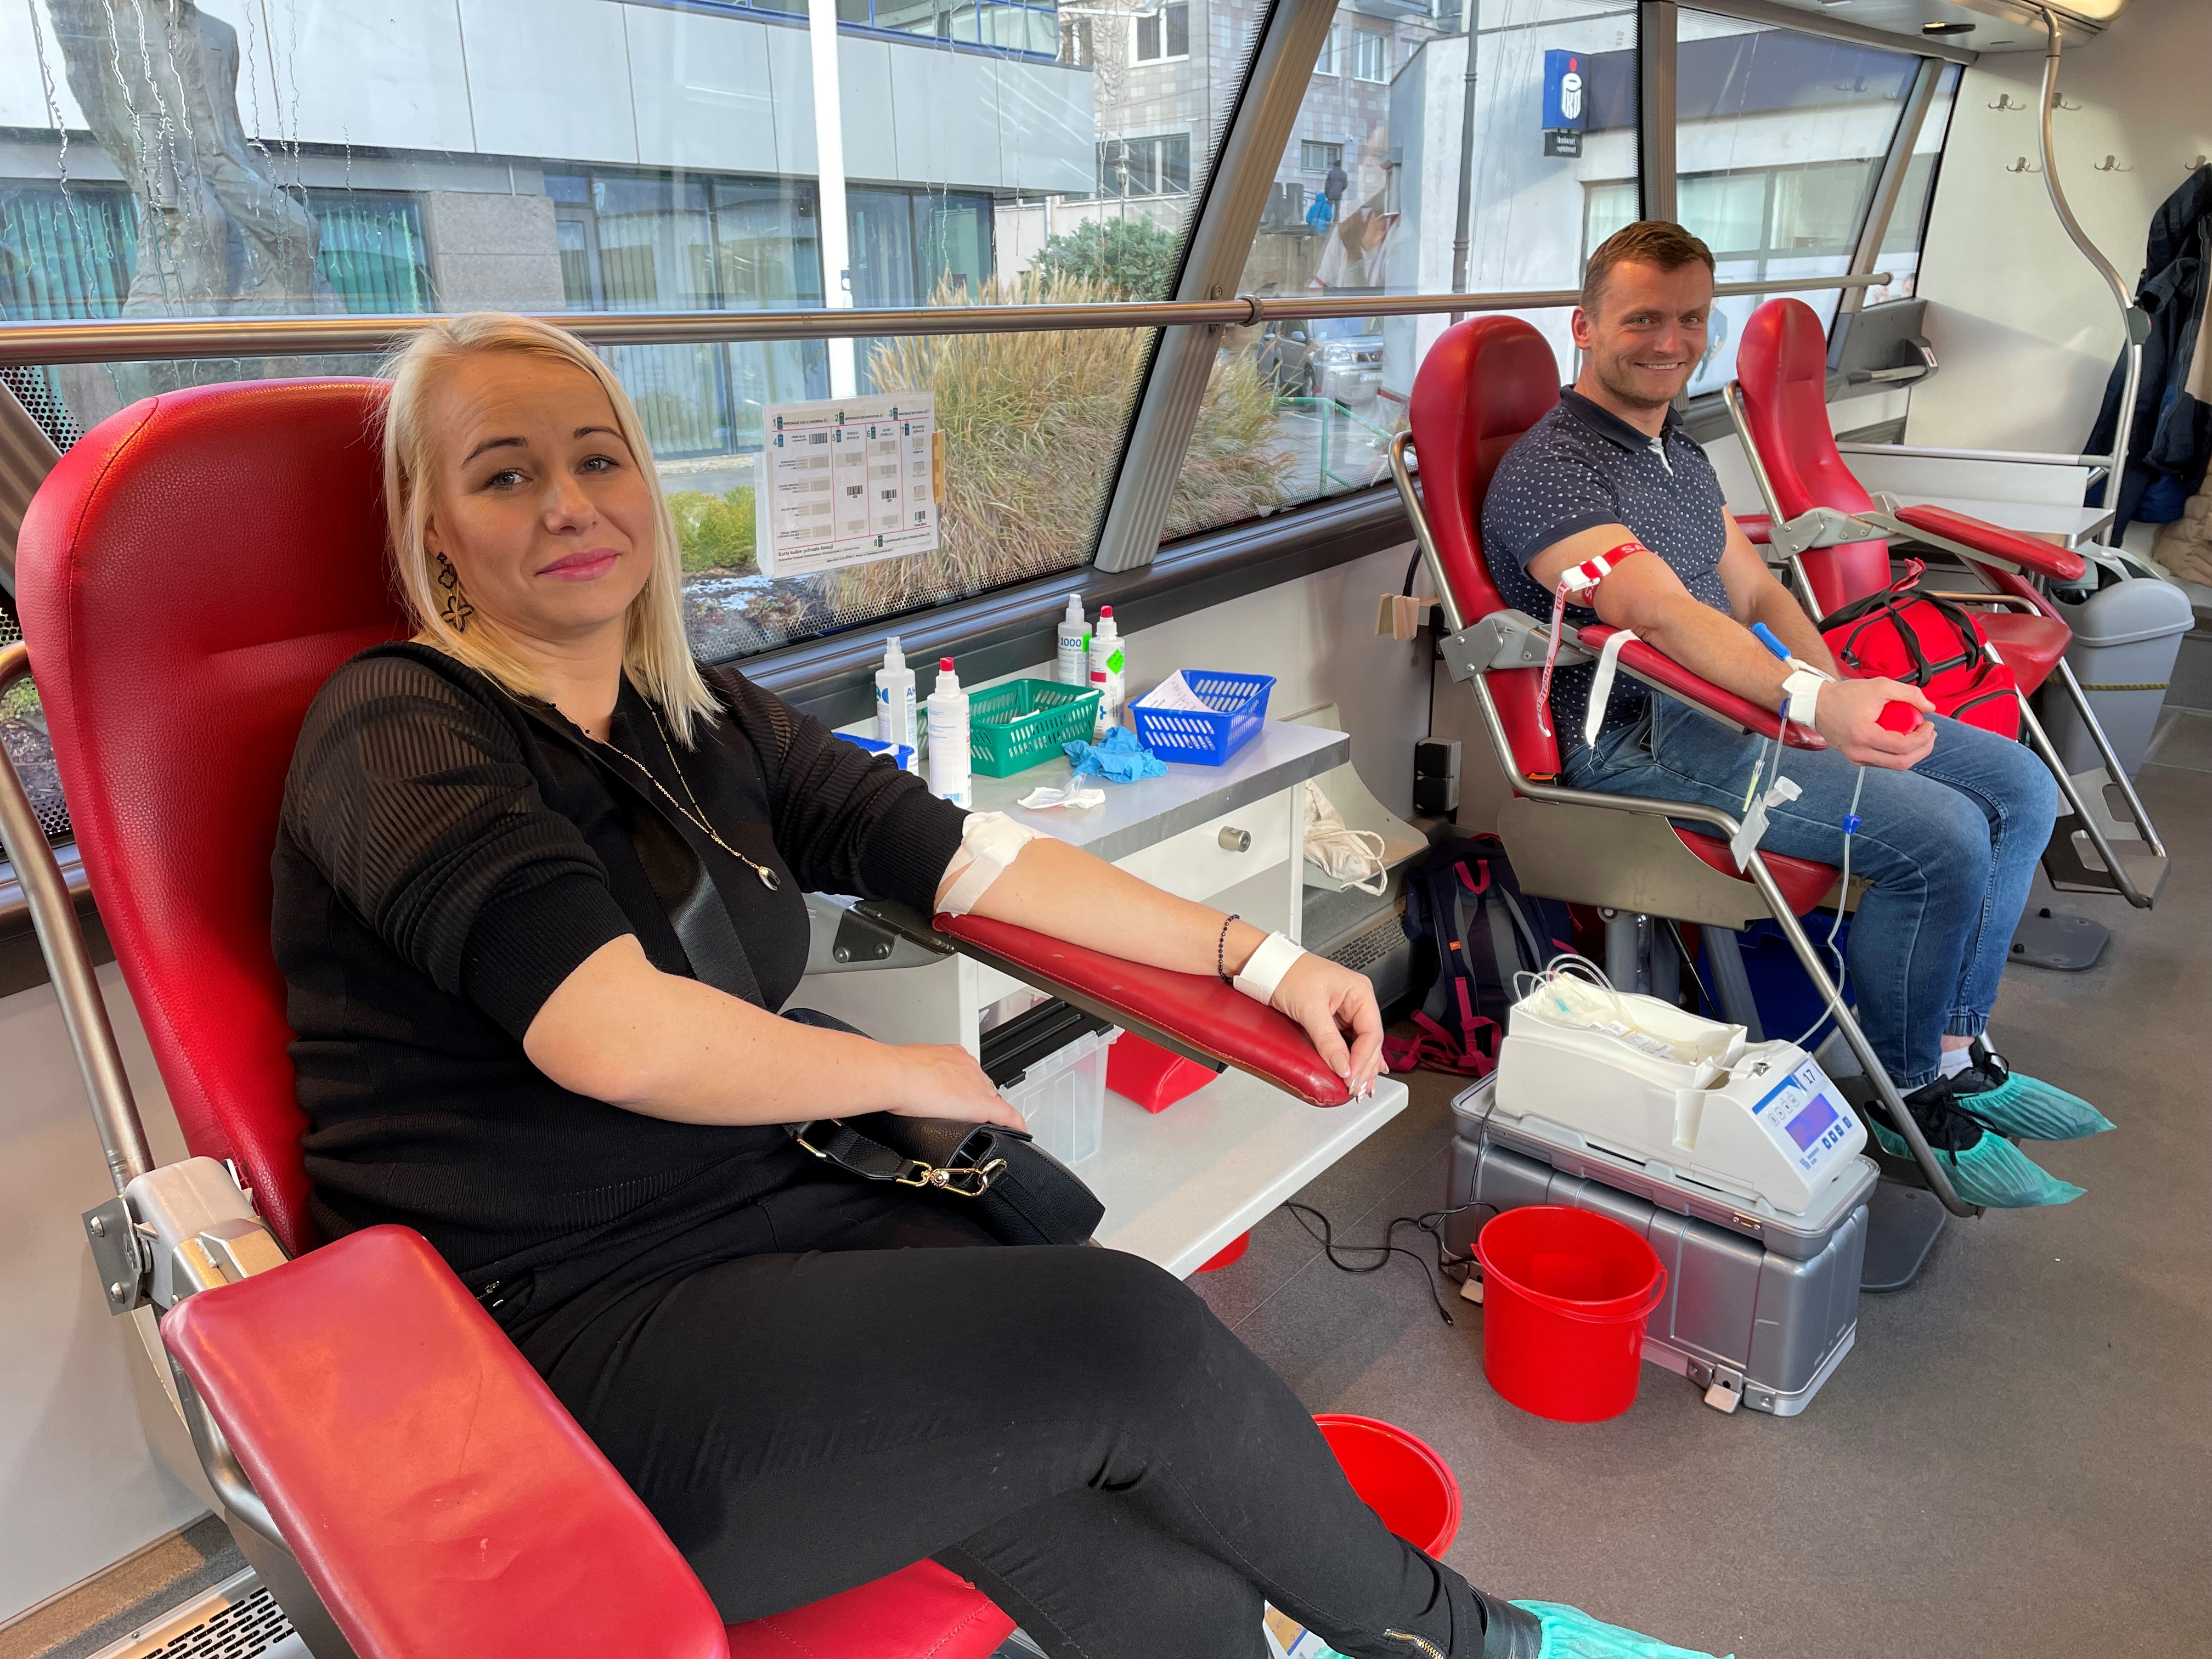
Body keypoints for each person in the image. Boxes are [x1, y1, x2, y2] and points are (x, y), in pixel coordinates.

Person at [272, 312, 1733, 1659]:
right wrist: (896, 1072)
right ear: (435, 532)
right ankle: (1489, 1647)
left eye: (598, 461)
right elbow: (613, 1033)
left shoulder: (692, 715)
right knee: (1128, 1340)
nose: (569, 504)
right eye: (506, 475)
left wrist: (1259, 953)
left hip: (741, 1224)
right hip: (536, 1336)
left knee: (1167, 1577)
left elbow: (966, 856)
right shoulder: (397, 725)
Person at [1481, 221, 2111, 1209]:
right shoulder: (1553, 472)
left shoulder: (1674, 452)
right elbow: (1659, 612)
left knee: (2018, 786)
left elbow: (1756, 591)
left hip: (1734, 709)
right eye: (1641, 319)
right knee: (1943, 835)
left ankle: (1956, 1050)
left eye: (1691, 319)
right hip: (1637, 740)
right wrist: (1812, 701)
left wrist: (1835, 691)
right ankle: (1906, 1096)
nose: (1670, 342)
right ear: (1585, 327)